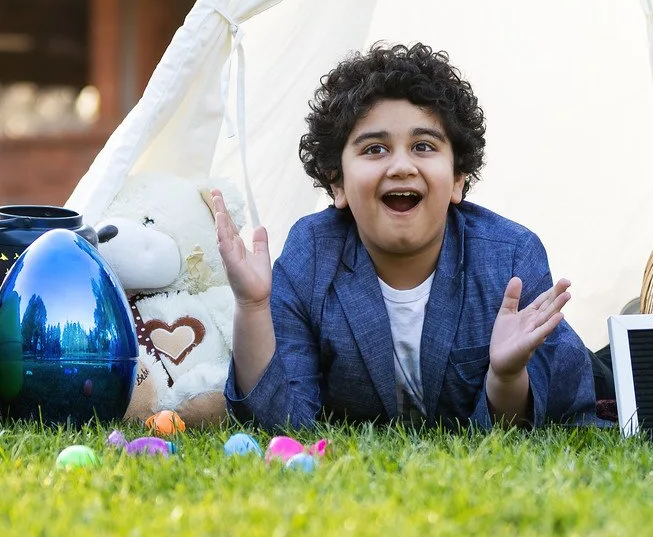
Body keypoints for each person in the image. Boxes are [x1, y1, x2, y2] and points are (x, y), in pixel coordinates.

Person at [211, 42, 596, 430]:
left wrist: (507, 377)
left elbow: (548, 419)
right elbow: (280, 425)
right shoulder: (311, 255)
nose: (400, 166)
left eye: (423, 146)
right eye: (375, 149)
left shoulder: (510, 258)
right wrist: (253, 307)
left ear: (458, 180)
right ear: (337, 183)